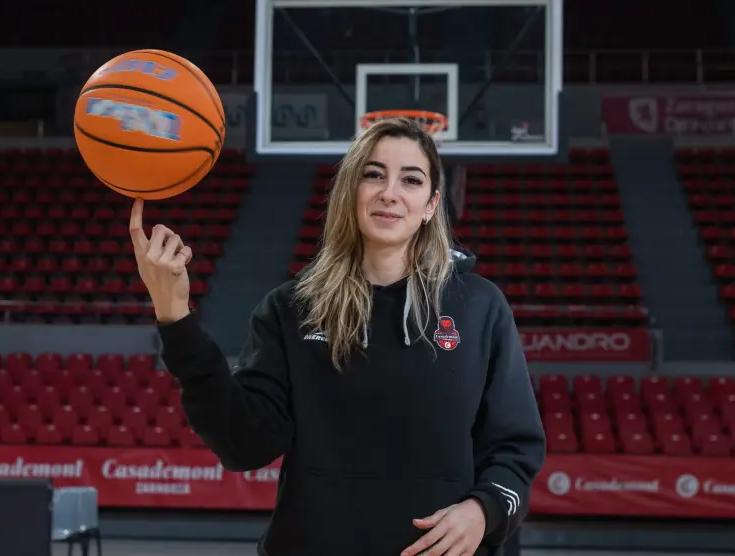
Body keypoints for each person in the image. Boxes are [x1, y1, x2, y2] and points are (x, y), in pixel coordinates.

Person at [130, 117, 546, 556]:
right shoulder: (291, 308)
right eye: (373, 174)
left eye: (411, 179)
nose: (389, 193)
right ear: (350, 190)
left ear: (431, 204)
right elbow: (244, 445)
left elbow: (515, 446)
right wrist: (175, 318)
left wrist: (483, 511)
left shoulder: (479, 306)